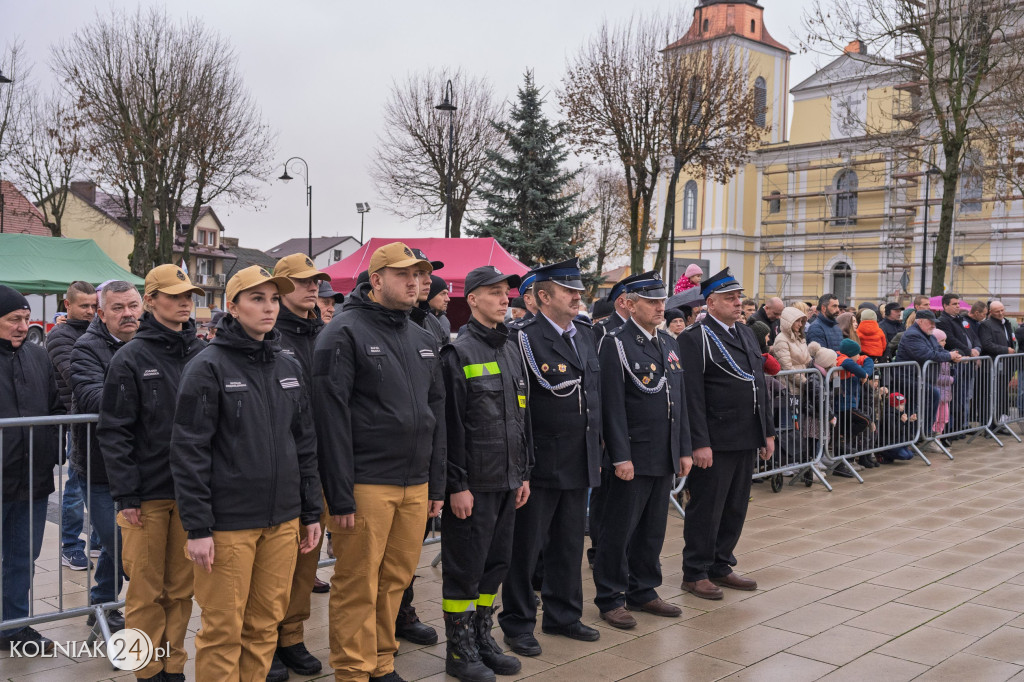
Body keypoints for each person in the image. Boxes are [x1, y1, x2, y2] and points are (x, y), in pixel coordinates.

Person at [170, 266, 321, 681]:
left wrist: (310, 512)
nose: (269, 307)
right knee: (222, 631)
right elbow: (189, 451)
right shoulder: (208, 367)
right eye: (257, 299)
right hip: (229, 525)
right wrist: (198, 527)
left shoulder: (287, 365)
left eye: (273, 299)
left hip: (283, 519)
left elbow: (304, 444)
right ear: (232, 307)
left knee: (263, 628)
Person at [313, 242, 446, 682]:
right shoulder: (343, 333)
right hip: (366, 483)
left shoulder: (422, 336)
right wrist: (340, 495)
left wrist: (436, 485)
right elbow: (329, 421)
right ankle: (353, 670)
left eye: (419, 275)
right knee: (357, 583)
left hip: (414, 483)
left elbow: (436, 415)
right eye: (404, 275)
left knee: (395, 580)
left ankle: (382, 662)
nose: (415, 283)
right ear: (376, 280)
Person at [97, 265, 206, 682]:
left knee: (181, 590)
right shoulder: (131, 357)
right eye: (175, 295)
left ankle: (172, 666)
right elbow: (115, 431)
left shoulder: (201, 353)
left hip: (191, 493)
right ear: (153, 300)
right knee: (145, 591)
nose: (184, 302)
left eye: (189, 295)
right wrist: (127, 495)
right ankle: (146, 669)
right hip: (146, 496)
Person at [499, 258, 602, 656]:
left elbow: (594, 396)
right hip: (540, 459)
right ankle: (518, 622)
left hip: (579, 456)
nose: (578, 296)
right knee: (526, 548)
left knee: (568, 542)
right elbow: (518, 406)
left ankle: (563, 615)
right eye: (568, 291)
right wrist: (521, 463)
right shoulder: (522, 337)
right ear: (542, 297)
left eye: (578, 290)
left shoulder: (586, 335)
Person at [438, 266, 530, 681]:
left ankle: (482, 636)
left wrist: (523, 473)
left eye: (505, 293)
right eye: (493, 293)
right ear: (472, 299)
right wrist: (456, 485)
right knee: (465, 568)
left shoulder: (511, 348)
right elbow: (452, 426)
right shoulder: (459, 352)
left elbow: (521, 418)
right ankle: (459, 650)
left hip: (508, 479)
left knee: (496, 564)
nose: (503, 299)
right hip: (473, 484)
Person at [593, 272, 691, 629]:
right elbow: (612, 406)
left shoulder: (667, 342)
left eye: (662, 301)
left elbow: (677, 400)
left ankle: (644, 589)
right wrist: (620, 456)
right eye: (652, 302)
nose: (660, 307)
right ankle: (610, 596)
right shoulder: (616, 342)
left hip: (663, 452)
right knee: (619, 530)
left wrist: (683, 449)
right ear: (630, 304)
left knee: (653, 528)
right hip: (632, 454)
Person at [677, 269, 775, 600]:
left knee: (735, 505)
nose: (738, 303)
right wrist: (699, 442)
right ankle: (695, 571)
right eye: (731, 298)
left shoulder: (746, 334)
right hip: (715, 439)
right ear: (711, 302)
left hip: (746, 434)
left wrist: (768, 432)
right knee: (707, 506)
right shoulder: (695, 337)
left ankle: (721, 563)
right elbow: (691, 394)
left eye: (739, 297)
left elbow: (758, 385)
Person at [270, 253, 332, 681]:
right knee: (275, 564)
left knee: (305, 562)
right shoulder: (270, 336)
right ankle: (266, 640)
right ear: (281, 286)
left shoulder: (324, 334)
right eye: (304, 281)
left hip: (319, 463)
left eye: (316, 281)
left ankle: (291, 636)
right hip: (280, 465)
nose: (313, 288)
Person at [70, 280, 144, 632]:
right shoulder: (86, 347)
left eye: (132, 305)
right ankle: (118, 605)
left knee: (123, 541)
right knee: (120, 544)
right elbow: (93, 400)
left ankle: (101, 604)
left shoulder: (149, 342)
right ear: (101, 313)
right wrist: (150, 399)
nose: (128, 314)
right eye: (118, 308)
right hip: (99, 467)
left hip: (143, 463)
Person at [0, 286, 64, 652]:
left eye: (26, 318)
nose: (23, 325)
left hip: (33, 479)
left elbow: (56, 407)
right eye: (14, 319)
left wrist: (52, 447)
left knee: (24, 557)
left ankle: (14, 626)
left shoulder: (38, 358)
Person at [46, 280, 100, 572]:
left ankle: (97, 540)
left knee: (99, 485)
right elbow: (77, 378)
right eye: (84, 306)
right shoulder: (60, 336)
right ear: (68, 306)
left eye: (94, 305)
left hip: (98, 419)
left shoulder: (96, 332)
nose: (91, 311)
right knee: (76, 486)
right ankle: (70, 545)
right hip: (77, 420)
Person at [894, 309, 962, 449]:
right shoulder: (912, 335)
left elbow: (938, 350)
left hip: (919, 377)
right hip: (907, 377)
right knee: (930, 396)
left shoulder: (928, 334)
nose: (933, 326)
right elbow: (926, 354)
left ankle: (917, 434)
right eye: (930, 323)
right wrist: (949, 356)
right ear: (920, 322)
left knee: (915, 406)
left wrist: (953, 356)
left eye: (934, 323)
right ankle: (921, 432)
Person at [936, 293, 980, 436]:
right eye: (954, 304)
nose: (957, 306)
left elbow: (973, 336)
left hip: (968, 362)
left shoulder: (962, 319)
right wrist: (968, 351)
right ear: (945, 305)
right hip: (957, 362)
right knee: (955, 396)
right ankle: (952, 428)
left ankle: (962, 425)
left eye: (958, 304)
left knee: (966, 395)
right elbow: (951, 341)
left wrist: (977, 349)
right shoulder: (943, 321)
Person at [978, 300, 1017, 423]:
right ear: (990, 312)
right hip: (993, 365)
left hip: (1006, 365)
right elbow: (987, 344)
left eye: (1002, 310)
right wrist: (1006, 350)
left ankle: (999, 421)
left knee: (1001, 394)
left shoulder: (1007, 323)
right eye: (997, 311)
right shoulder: (986, 325)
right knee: (991, 395)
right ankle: (989, 423)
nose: (1001, 313)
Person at [770, 306, 811, 390]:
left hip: (803, 385)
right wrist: (806, 384)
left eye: (801, 321)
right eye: (797, 321)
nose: (800, 324)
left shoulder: (800, 338)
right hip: (789, 387)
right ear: (788, 322)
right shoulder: (781, 340)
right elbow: (787, 367)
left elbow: (808, 360)